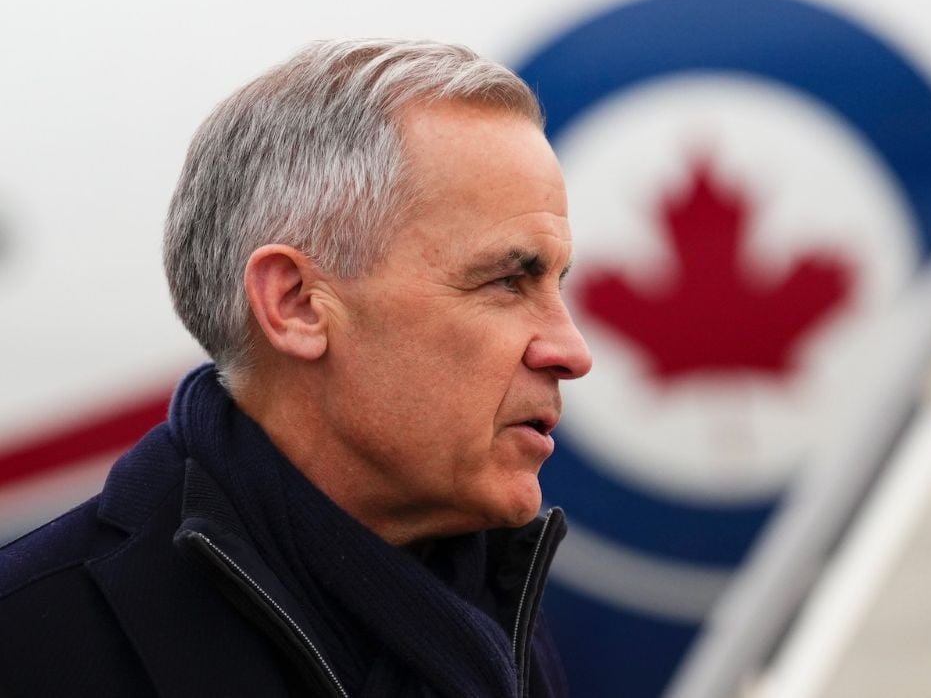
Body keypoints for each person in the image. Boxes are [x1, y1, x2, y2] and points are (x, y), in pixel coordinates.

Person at [0, 39, 592, 697]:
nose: (571, 351)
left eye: (558, 284)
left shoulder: (496, 620)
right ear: (297, 304)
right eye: (509, 281)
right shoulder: (33, 646)